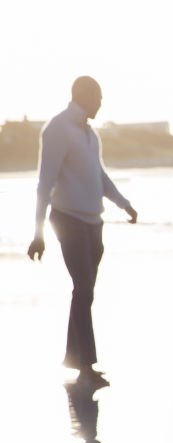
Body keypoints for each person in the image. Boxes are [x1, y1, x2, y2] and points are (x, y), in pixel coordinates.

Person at [27, 76, 139, 387]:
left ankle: (74, 358)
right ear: (85, 95)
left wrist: (124, 204)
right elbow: (44, 182)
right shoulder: (58, 129)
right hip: (69, 221)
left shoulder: (90, 134)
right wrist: (38, 233)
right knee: (84, 288)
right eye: (98, 96)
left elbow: (99, 177)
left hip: (94, 224)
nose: (101, 102)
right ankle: (86, 366)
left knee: (84, 293)